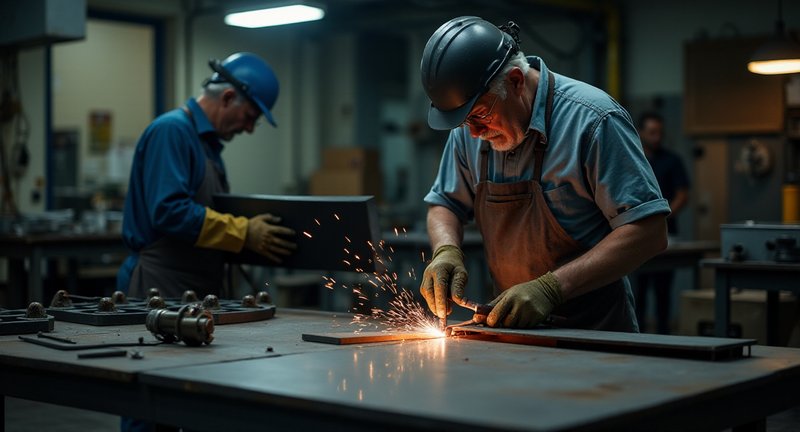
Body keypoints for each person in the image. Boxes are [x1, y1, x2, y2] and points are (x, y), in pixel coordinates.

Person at [418, 16, 671, 332]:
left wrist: (552, 287)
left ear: (515, 82)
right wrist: (445, 250)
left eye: (481, 116)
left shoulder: (593, 121)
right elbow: (445, 204)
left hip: (596, 335)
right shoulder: (471, 129)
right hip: (514, 331)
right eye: (464, 123)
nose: (473, 133)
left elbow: (648, 231)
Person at [117, 52, 297, 300]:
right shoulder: (172, 131)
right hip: (158, 286)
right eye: (250, 117)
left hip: (192, 288)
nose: (249, 129)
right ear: (228, 97)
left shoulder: (208, 147)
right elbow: (170, 212)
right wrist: (243, 232)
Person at [635, 111, 690, 334]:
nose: (657, 137)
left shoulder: (672, 160)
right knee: (638, 290)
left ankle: (664, 336)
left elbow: (683, 194)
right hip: (636, 233)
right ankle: (635, 337)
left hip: (667, 233)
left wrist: (662, 215)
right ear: (641, 133)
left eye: (660, 132)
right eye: (652, 132)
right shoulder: (633, 157)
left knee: (663, 291)